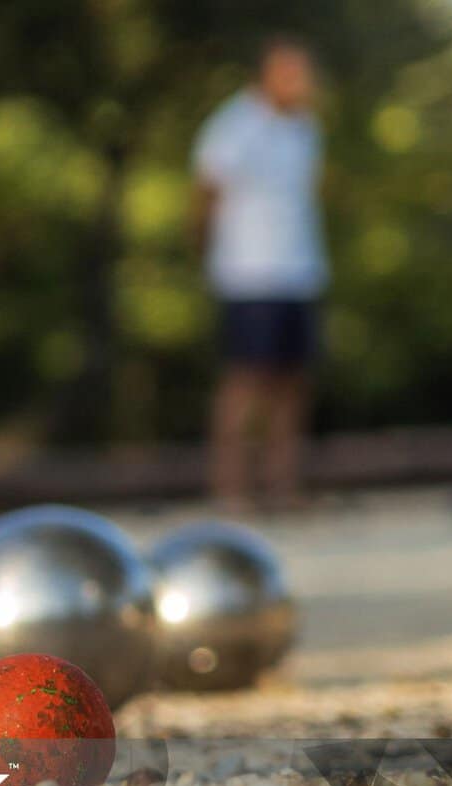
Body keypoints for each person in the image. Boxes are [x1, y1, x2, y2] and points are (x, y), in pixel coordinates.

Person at [192, 36, 328, 513]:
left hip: (299, 271)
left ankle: (282, 486)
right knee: (245, 381)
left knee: (292, 383)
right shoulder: (233, 127)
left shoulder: (305, 128)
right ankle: (230, 490)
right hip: (249, 272)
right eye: (291, 73)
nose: (301, 83)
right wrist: (206, 255)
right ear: (266, 75)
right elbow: (205, 195)